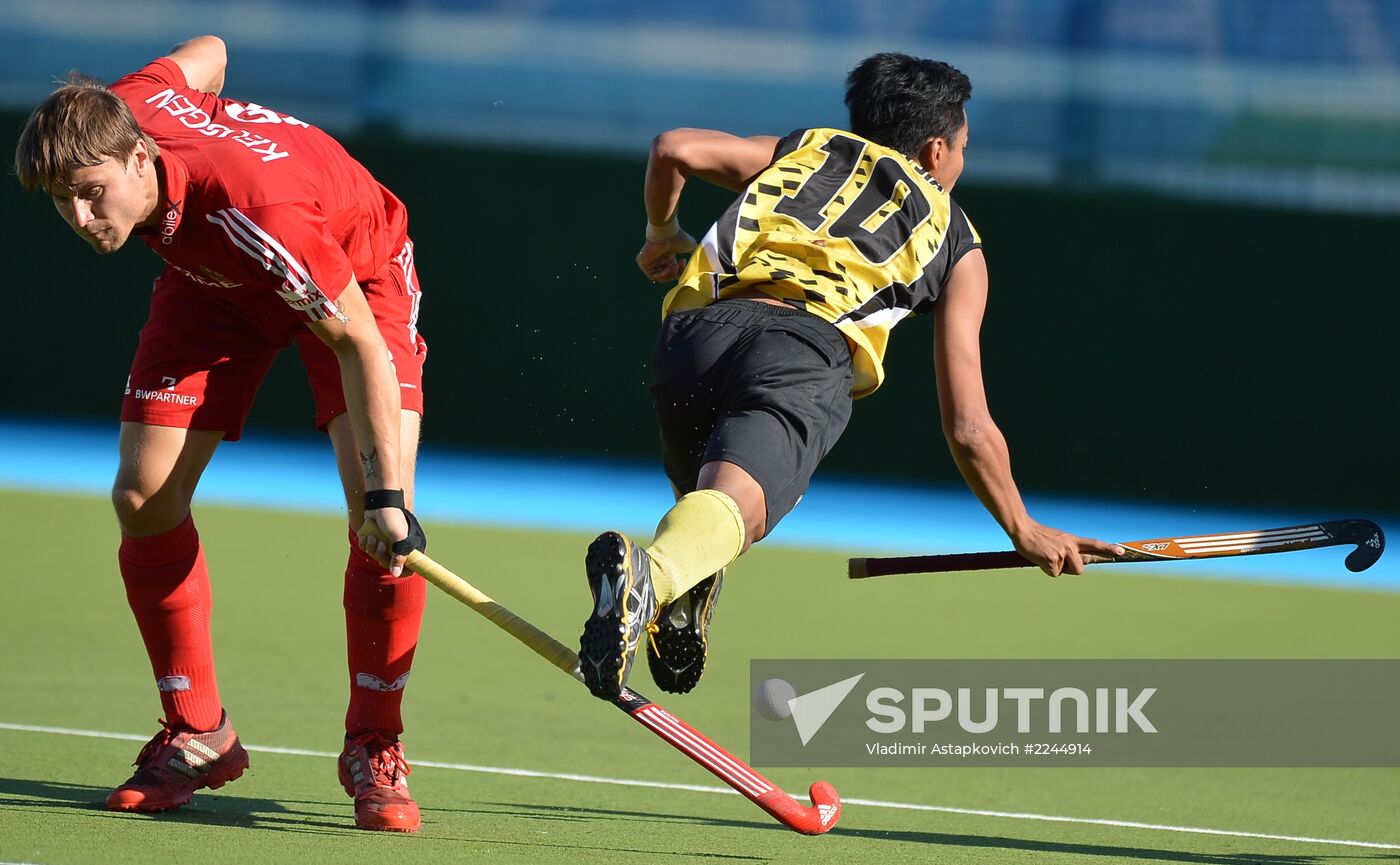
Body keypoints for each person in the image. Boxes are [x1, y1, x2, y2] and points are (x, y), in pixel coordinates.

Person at [577, 52, 1126, 701]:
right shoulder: (955, 236)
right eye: (963, 149)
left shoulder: (810, 148)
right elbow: (969, 424)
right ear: (934, 152)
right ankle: (656, 576)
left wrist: (661, 233)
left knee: (708, 494)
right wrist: (1023, 527)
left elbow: (674, 149)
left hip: (693, 338)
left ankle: (676, 590)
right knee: (747, 503)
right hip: (802, 353)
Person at [14, 36, 430, 832]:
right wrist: (208, 106)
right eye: (63, 201)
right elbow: (210, 49)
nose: (82, 217)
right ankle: (198, 730)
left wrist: (384, 496)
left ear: (139, 160)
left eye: (92, 193)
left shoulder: (257, 208)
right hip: (216, 281)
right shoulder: (126, 105)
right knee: (143, 495)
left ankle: (375, 743)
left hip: (349, 275)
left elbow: (359, 346)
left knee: (382, 519)